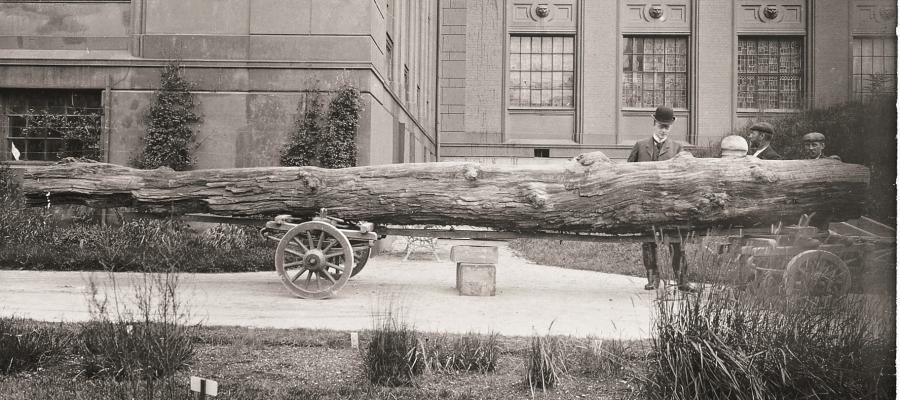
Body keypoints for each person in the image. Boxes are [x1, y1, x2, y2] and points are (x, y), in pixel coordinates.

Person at [627, 106, 694, 292]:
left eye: (667, 126)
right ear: (654, 123)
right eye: (660, 125)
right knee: (648, 241)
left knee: (676, 242)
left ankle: (682, 280)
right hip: (646, 204)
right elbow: (627, 174)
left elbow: (686, 177)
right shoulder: (640, 146)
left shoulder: (678, 148)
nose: (663, 130)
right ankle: (652, 278)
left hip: (670, 205)